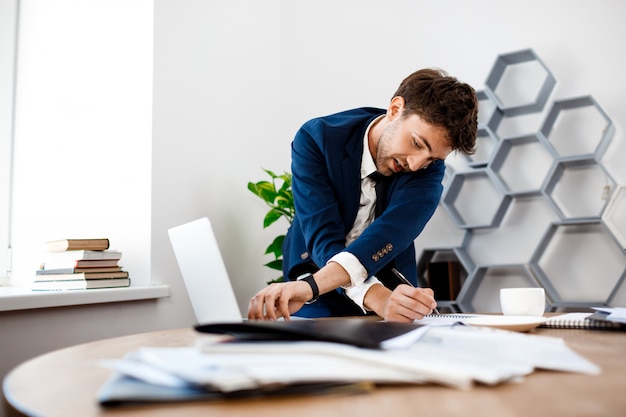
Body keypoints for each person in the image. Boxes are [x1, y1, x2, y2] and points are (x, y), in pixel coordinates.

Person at [248, 68, 478, 322]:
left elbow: (387, 236)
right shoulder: (317, 138)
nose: (415, 165)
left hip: (393, 301)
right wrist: (373, 296)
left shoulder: (429, 171)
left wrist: (383, 299)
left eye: (432, 158)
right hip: (317, 292)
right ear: (395, 109)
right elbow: (323, 238)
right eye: (416, 143)